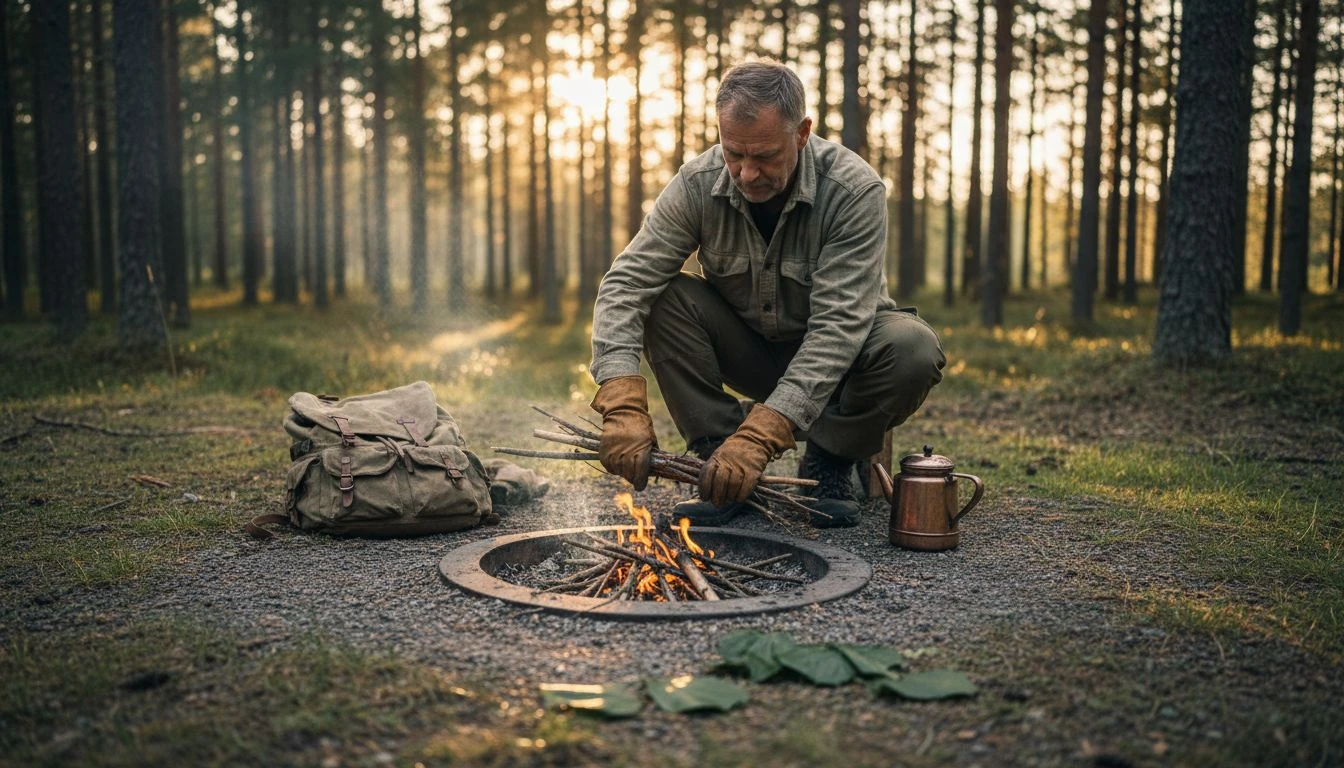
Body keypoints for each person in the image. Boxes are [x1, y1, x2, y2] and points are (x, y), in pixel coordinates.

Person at [588, 60, 945, 528]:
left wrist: (759, 438)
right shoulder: (696, 183)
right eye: (734, 153)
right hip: (752, 352)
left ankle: (829, 462)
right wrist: (621, 400)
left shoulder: (854, 191)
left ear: (802, 133)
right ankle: (718, 459)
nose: (747, 173)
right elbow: (627, 282)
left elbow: (838, 330)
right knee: (661, 293)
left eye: (765, 157)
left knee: (912, 348)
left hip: (842, 367)